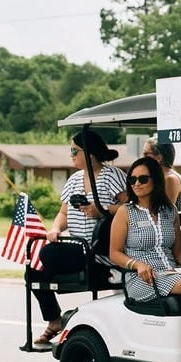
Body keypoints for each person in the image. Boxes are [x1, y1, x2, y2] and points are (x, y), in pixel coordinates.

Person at [110, 157, 181, 362]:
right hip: (142, 278)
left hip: (170, 272)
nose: (136, 184)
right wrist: (136, 264)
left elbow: (178, 251)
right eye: (132, 180)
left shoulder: (170, 211)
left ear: (155, 180)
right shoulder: (125, 212)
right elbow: (114, 253)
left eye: (143, 179)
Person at [30, 131, 127, 346]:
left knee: (47, 253)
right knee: (33, 273)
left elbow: (131, 208)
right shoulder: (73, 180)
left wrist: (102, 210)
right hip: (77, 249)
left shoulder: (112, 176)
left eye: (75, 150)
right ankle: (54, 321)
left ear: (90, 154)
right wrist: (55, 229)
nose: (71, 155)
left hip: (99, 251)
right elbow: (63, 213)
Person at [142, 137, 181, 210]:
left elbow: (164, 213)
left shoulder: (170, 179)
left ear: (159, 158)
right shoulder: (163, 178)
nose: (142, 158)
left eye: (146, 154)